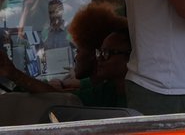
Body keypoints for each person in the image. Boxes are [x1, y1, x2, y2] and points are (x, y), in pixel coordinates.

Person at [0, 27, 131, 107]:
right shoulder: (106, 91)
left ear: (131, 57)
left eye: (107, 53)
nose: (100, 58)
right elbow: (64, 98)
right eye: (100, 52)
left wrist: (14, 74)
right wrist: (14, 74)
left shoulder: (140, 94)